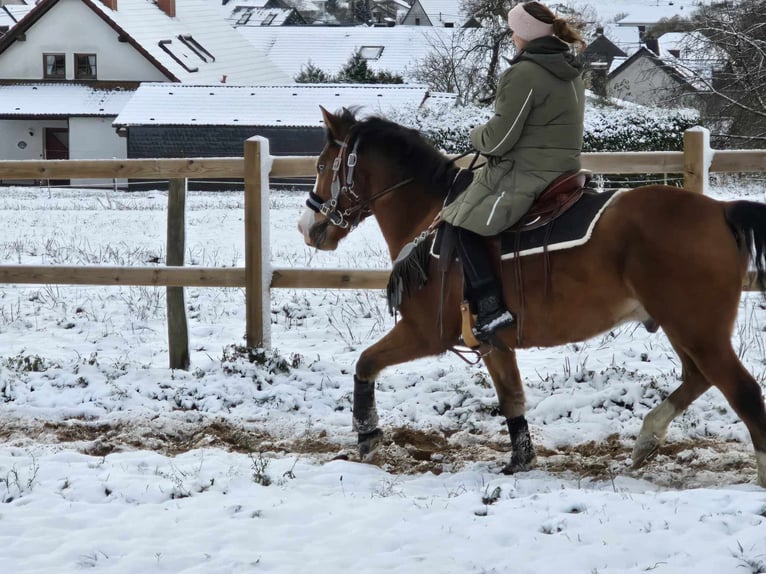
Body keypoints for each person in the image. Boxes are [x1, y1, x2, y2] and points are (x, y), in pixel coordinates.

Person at [440, 1, 586, 344]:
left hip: (528, 171)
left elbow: (498, 140)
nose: (512, 36)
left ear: (524, 34)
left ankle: (491, 307)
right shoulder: (569, 68)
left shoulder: (524, 73)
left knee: (461, 224)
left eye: (514, 30)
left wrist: (475, 134)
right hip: (564, 167)